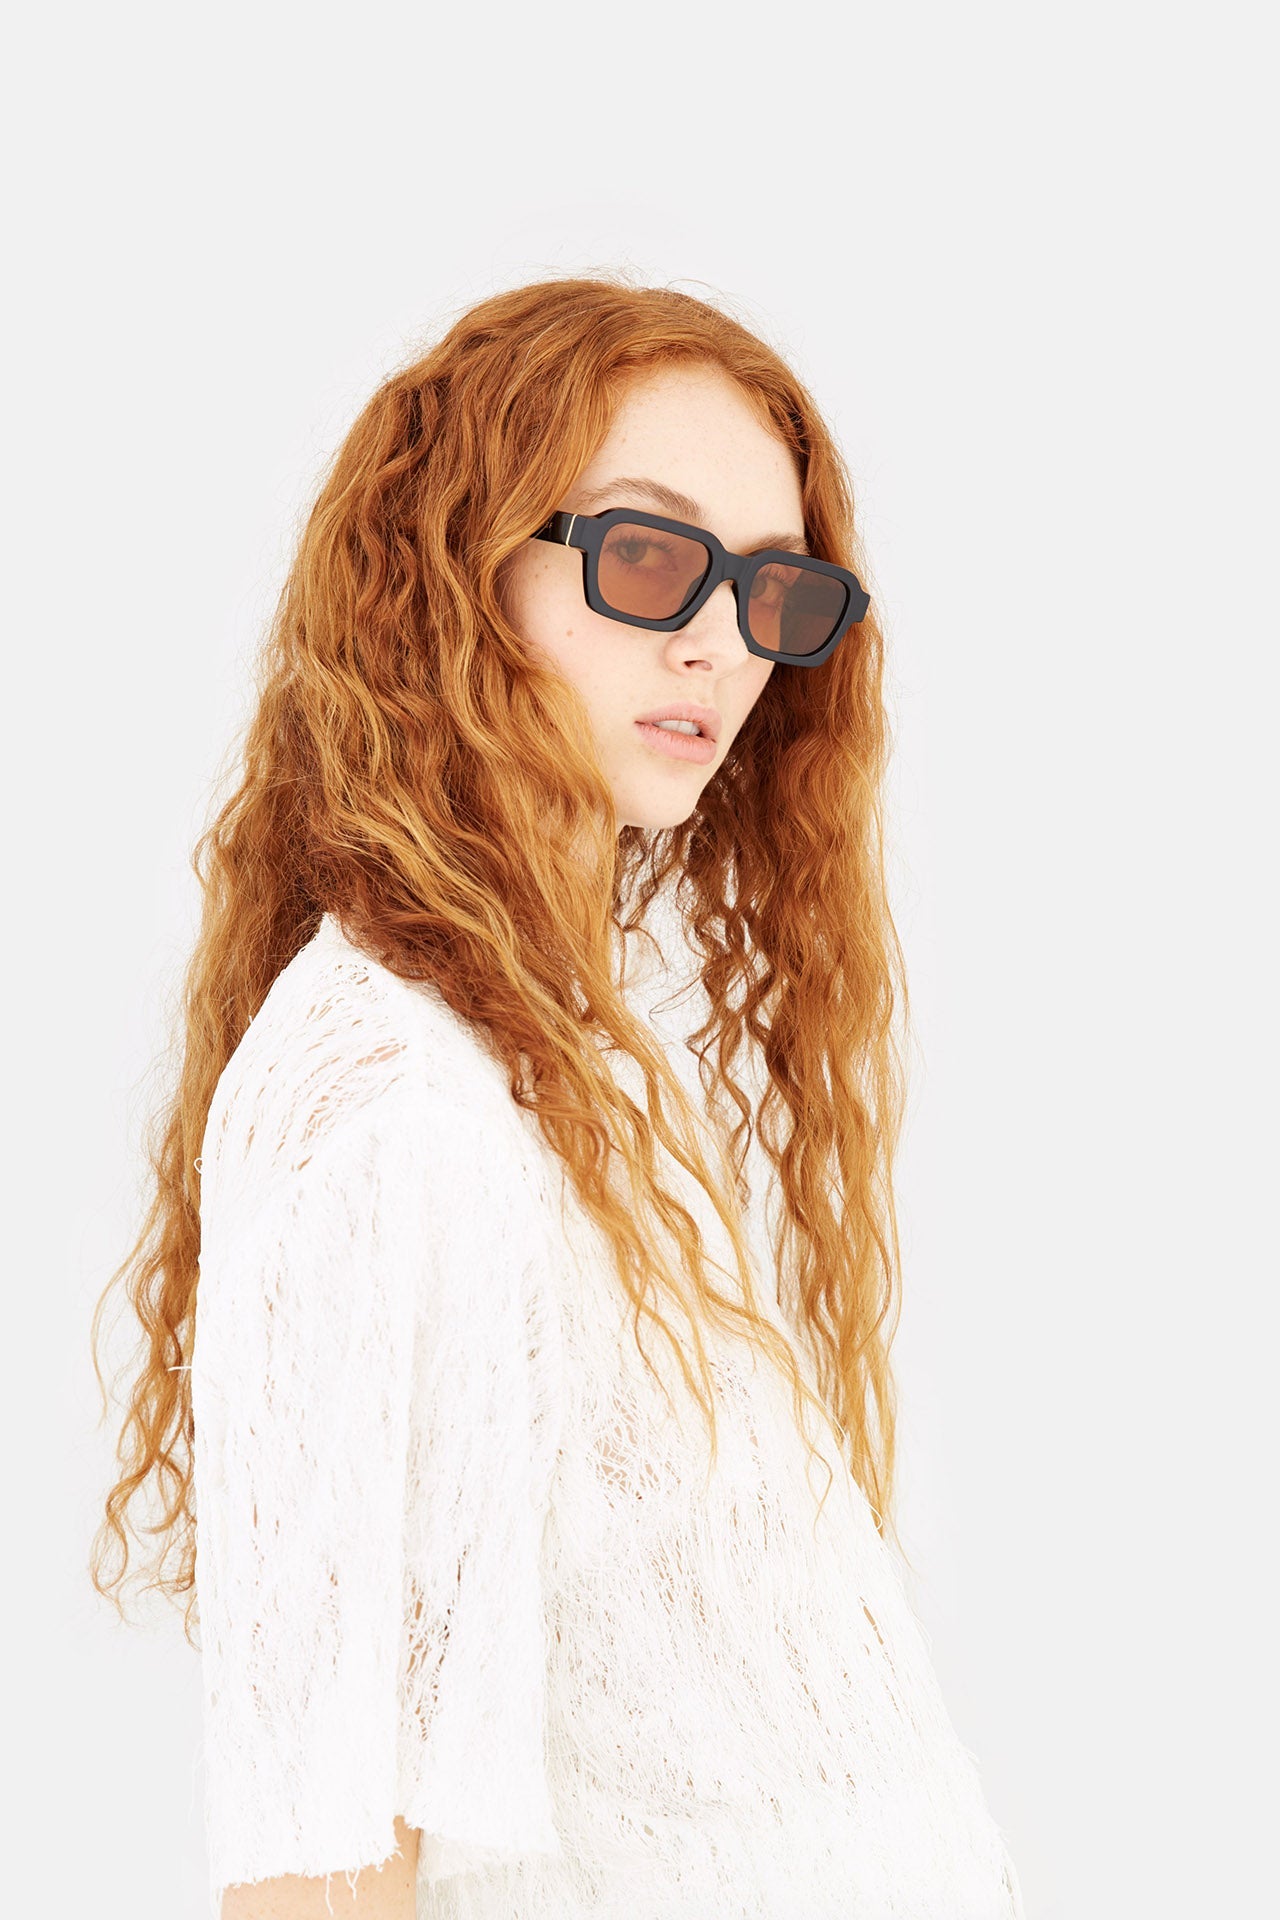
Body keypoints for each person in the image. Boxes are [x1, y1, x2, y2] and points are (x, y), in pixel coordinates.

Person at [90, 276, 1025, 1919]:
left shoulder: (572, 1066)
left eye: (775, 589)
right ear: (459, 566)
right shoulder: (389, 1097)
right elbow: (320, 1846)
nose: (721, 640)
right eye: (650, 555)